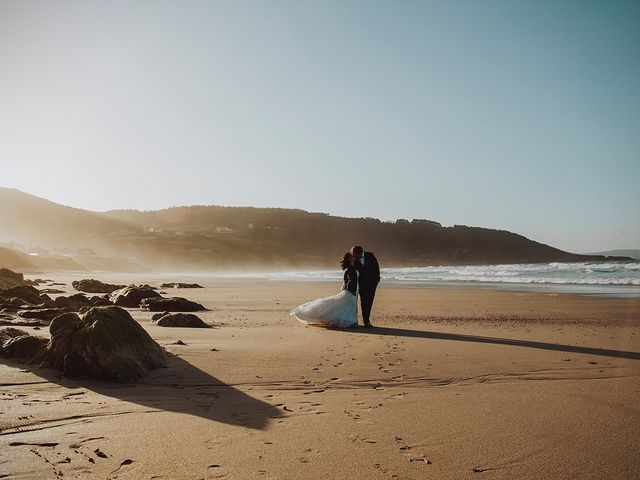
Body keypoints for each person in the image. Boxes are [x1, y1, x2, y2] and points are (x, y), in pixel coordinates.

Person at [290, 252, 358, 328]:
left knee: (344, 306)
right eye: (352, 257)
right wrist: (352, 291)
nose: (354, 258)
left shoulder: (349, 268)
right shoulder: (350, 268)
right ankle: (349, 321)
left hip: (349, 290)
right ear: (349, 259)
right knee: (344, 305)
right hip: (350, 291)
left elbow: (348, 281)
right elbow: (350, 281)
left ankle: (350, 321)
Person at [350, 244, 380, 328]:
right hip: (361, 284)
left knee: (369, 302)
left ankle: (367, 319)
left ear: (359, 252)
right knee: (363, 302)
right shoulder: (353, 259)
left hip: (372, 283)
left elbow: (376, 267)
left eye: (354, 253)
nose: (353, 255)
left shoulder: (370, 255)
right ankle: (366, 321)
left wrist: (377, 280)